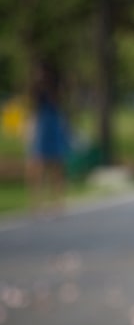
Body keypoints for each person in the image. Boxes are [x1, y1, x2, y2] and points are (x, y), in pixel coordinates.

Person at [25, 62, 72, 215]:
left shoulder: (55, 89)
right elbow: (33, 110)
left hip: (53, 125)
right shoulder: (35, 90)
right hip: (42, 127)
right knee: (37, 165)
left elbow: (57, 103)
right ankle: (37, 202)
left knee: (56, 165)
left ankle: (59, 201)